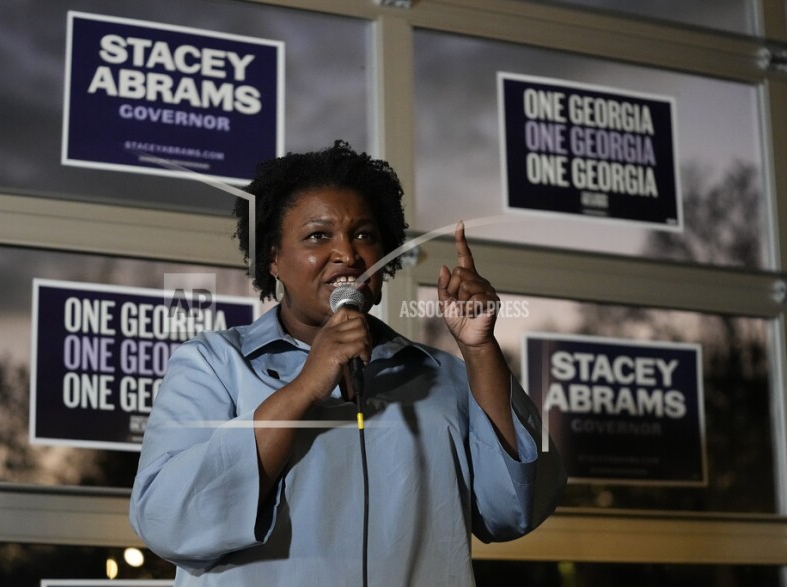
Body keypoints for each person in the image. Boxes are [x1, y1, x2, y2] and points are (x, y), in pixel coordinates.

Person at [129, 141, 566, 586]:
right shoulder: (212, 365)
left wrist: (479, 350)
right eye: (319, 235)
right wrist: (305, 386)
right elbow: (169, 521)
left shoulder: (441, 377)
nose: (348, 254)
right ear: (274, 258)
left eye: (364, 234)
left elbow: (517, 510)